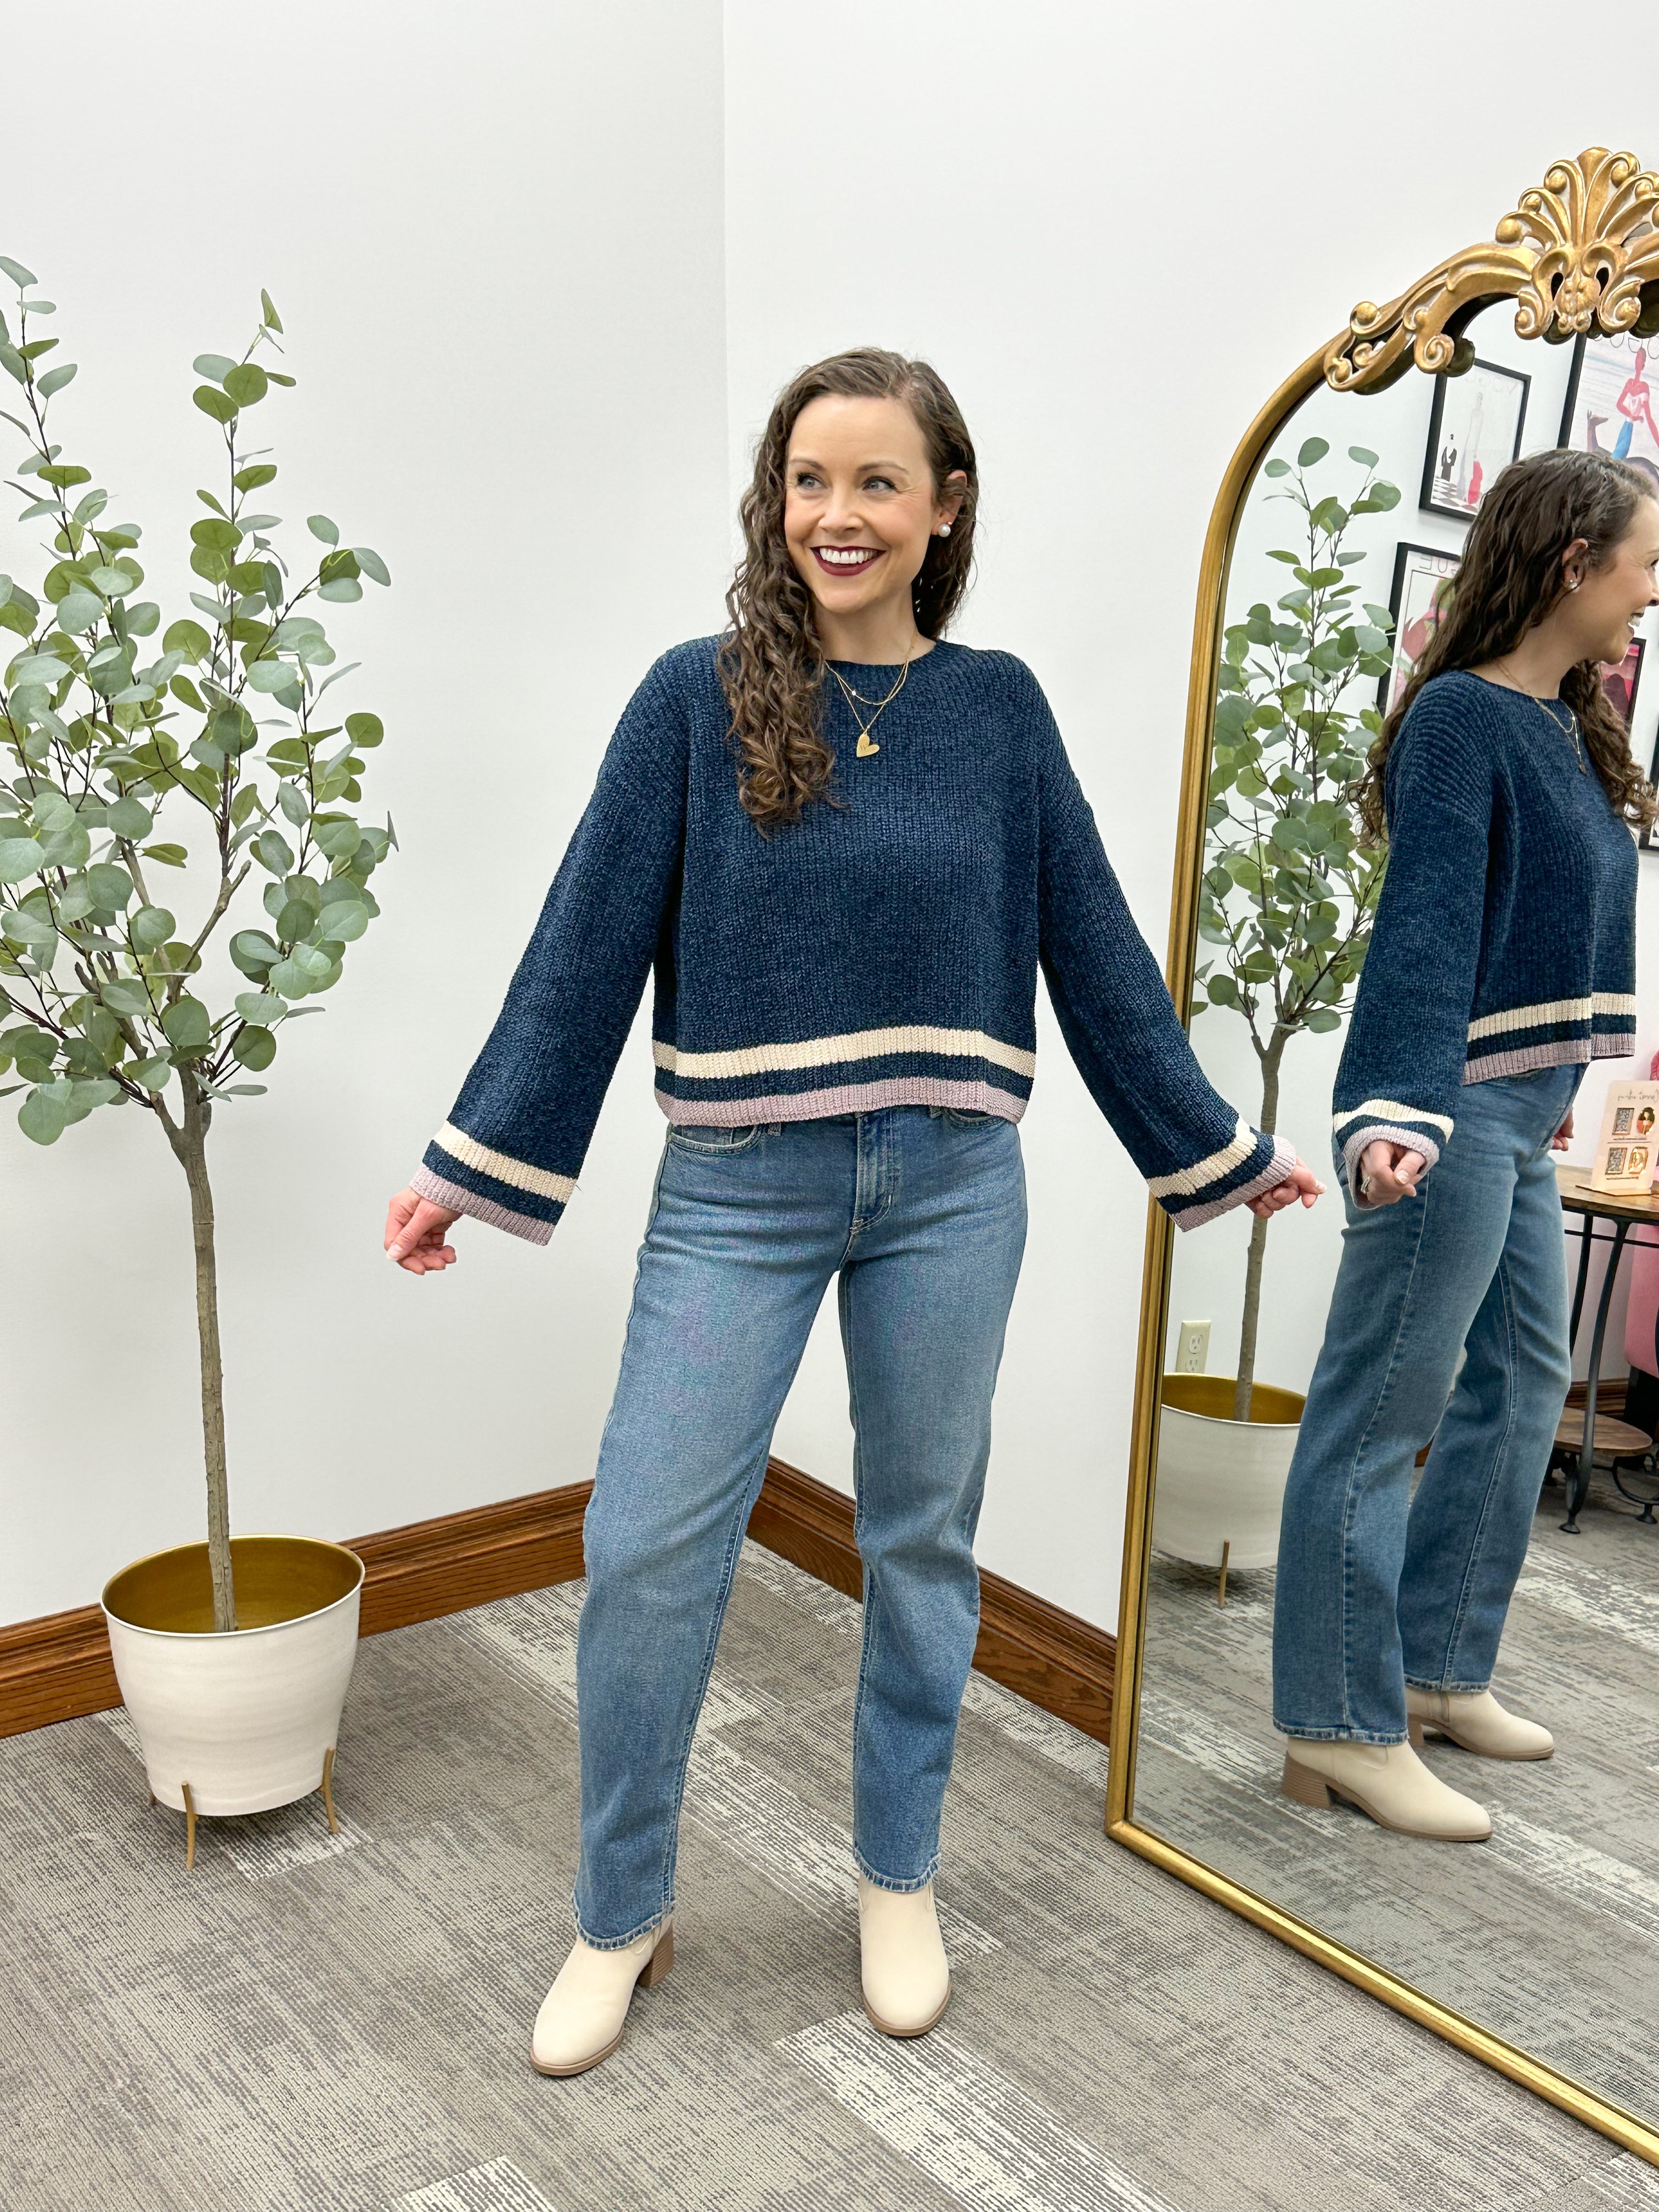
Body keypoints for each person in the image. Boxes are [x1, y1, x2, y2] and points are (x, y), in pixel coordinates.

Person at [383, 348, 1320, 2077]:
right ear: (777, 499)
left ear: (945, 506)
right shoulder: (693, 697)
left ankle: (898, 1877)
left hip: (954, 1188)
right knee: (648, 1547)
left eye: (878, 482)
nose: (838, 514)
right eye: (809, 480)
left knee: (921, 1542)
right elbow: (587, 935)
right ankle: (620, 1912)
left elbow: (1094, 945)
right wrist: (473, 1163)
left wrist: (1216, 1149)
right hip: (737, 1193)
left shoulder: (1000, 711)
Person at [1272, 447, 1658, 1841]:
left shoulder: (1563, 723)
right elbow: (1426, 931)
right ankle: (1337, 1721)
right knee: (1383, 1413)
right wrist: (1395, 1111)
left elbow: (1535, 930)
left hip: (1513, 1111)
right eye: (1644, 565)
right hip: (1439, 1116)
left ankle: (1437, 1668)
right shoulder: (1458, 721)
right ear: (1573, 563)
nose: (1651, 594)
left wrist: (1552, 1083)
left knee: (1522, 1382)